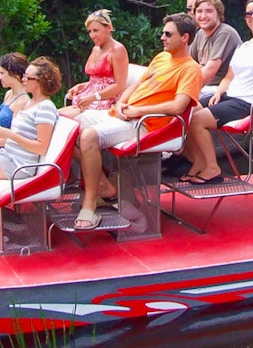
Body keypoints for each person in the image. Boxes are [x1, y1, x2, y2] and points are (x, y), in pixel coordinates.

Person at [74, 12, 202, 230]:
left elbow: (177, 107)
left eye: (168, 34)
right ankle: (102, 187)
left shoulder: (190, 69)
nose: (162, 37)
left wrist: (137, 111)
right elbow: (135, 86)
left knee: (88, 135)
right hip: (126, 114)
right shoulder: (161, 58)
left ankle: (90, 204)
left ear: (185, 38)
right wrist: (121, 103)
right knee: (67, 127)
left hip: (147, 124)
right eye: (163, 33)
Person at [181, 0, 253, 184]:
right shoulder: (244, 46)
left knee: (197, 120)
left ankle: (212, 167)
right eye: (249, 14)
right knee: (186, 111)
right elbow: (229, 77)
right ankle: (199, 161)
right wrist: (218, 92)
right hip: (231, 96)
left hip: (251, 101)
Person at [59, 9, 129, 119]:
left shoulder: (117, 49)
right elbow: (98, 81)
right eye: (89, 31)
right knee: (54, 115)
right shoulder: (95, 49)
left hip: (106, 100)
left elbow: (120, 85)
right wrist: (81, 86)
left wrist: (94, 97)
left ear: (108, 28)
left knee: (62, 118)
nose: (92, 35)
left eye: (96, 30)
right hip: (89, 97)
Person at [0, 57, 62, 180]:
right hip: (7, 157)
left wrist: (10, 134)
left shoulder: (45, 107)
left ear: (41, 81)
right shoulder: (30, 104)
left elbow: (41, 147)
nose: (23, 80)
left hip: (17, 165)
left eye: (27, 78)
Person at [190, 0, 242, 98]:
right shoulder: (200, 33)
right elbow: (189, 64)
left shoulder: (225, 33)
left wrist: (185, 89)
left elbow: (210, 70)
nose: (203, 16)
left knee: (177, 102)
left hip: (222, 88)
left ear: (218, 14)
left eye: (209, 11)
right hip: (206, 86)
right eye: (199, 11)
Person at [0, 53, 30, 129]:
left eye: (2, 73)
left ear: (15, 74)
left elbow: (15, 133)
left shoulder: (22, 101)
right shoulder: (9, 93)